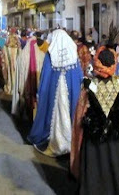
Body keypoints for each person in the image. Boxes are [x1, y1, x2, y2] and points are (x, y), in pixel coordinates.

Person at [70, 47, 119, 195]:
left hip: (94, 137)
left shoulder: (88, 84)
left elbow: (80, 112)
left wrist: (78, 135)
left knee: (95, 166)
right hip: (117, 136)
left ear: (97, 62)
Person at [28, 29, 83, 157]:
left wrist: (42, 90)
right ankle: (71, 141)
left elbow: (46, 75)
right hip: (70, 88)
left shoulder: (51, 53)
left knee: (54, 111)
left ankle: (55, 139)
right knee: (70, 110)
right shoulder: (73, 52)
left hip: (55, 88)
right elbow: (78, 74)